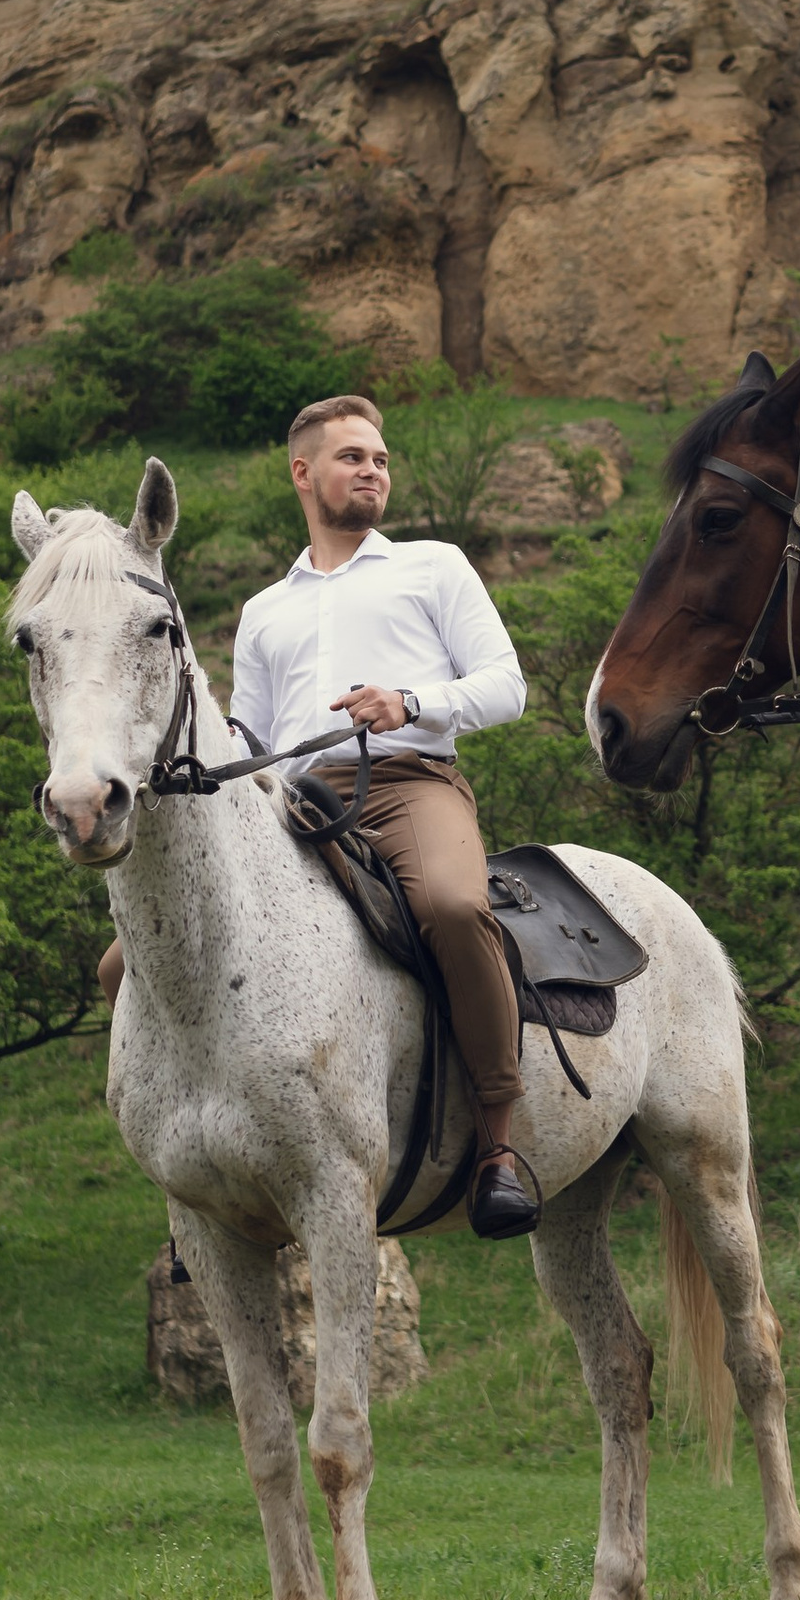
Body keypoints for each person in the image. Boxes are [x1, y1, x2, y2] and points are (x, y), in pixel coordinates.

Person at [230, 393, 539, 1238]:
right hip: (289, 804)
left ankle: (499, 1145)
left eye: (381, 459)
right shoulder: (264, 611)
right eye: (353, 457)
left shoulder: (433, 566)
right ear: (303, 473)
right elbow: (247, 736)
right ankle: (206, 1175)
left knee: (452, 904)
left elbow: (507, 687)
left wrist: (409, 701)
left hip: (406, 782)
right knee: (127, 962)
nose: (373, 471)